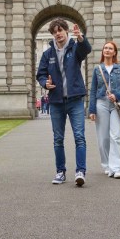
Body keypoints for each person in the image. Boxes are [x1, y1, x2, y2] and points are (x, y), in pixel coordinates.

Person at [36, 18, 91, 186]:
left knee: (79, 137)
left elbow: (86, 50)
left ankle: (80, 171)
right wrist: (45, 82)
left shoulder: (75, 48)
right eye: (54, 32)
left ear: (66, 31)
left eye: (60, 30)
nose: (58, 34)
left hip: (75, 99)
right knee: (58, 139)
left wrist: (80, 38)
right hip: (56, 101)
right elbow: (41, 74)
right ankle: (60, 172)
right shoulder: (48, 54)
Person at [89, 41, 120, 179]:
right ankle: (107, 165)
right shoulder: (97, 69)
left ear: (114, 52)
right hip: (101, 104)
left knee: (116, 136)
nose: (107, 50)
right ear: (103, 51)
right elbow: (93, 90)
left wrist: (117, 95)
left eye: (110, 48)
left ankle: (116, 168)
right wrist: (92, 110)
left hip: (115, 105)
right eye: (105, 48)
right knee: (103, 138)